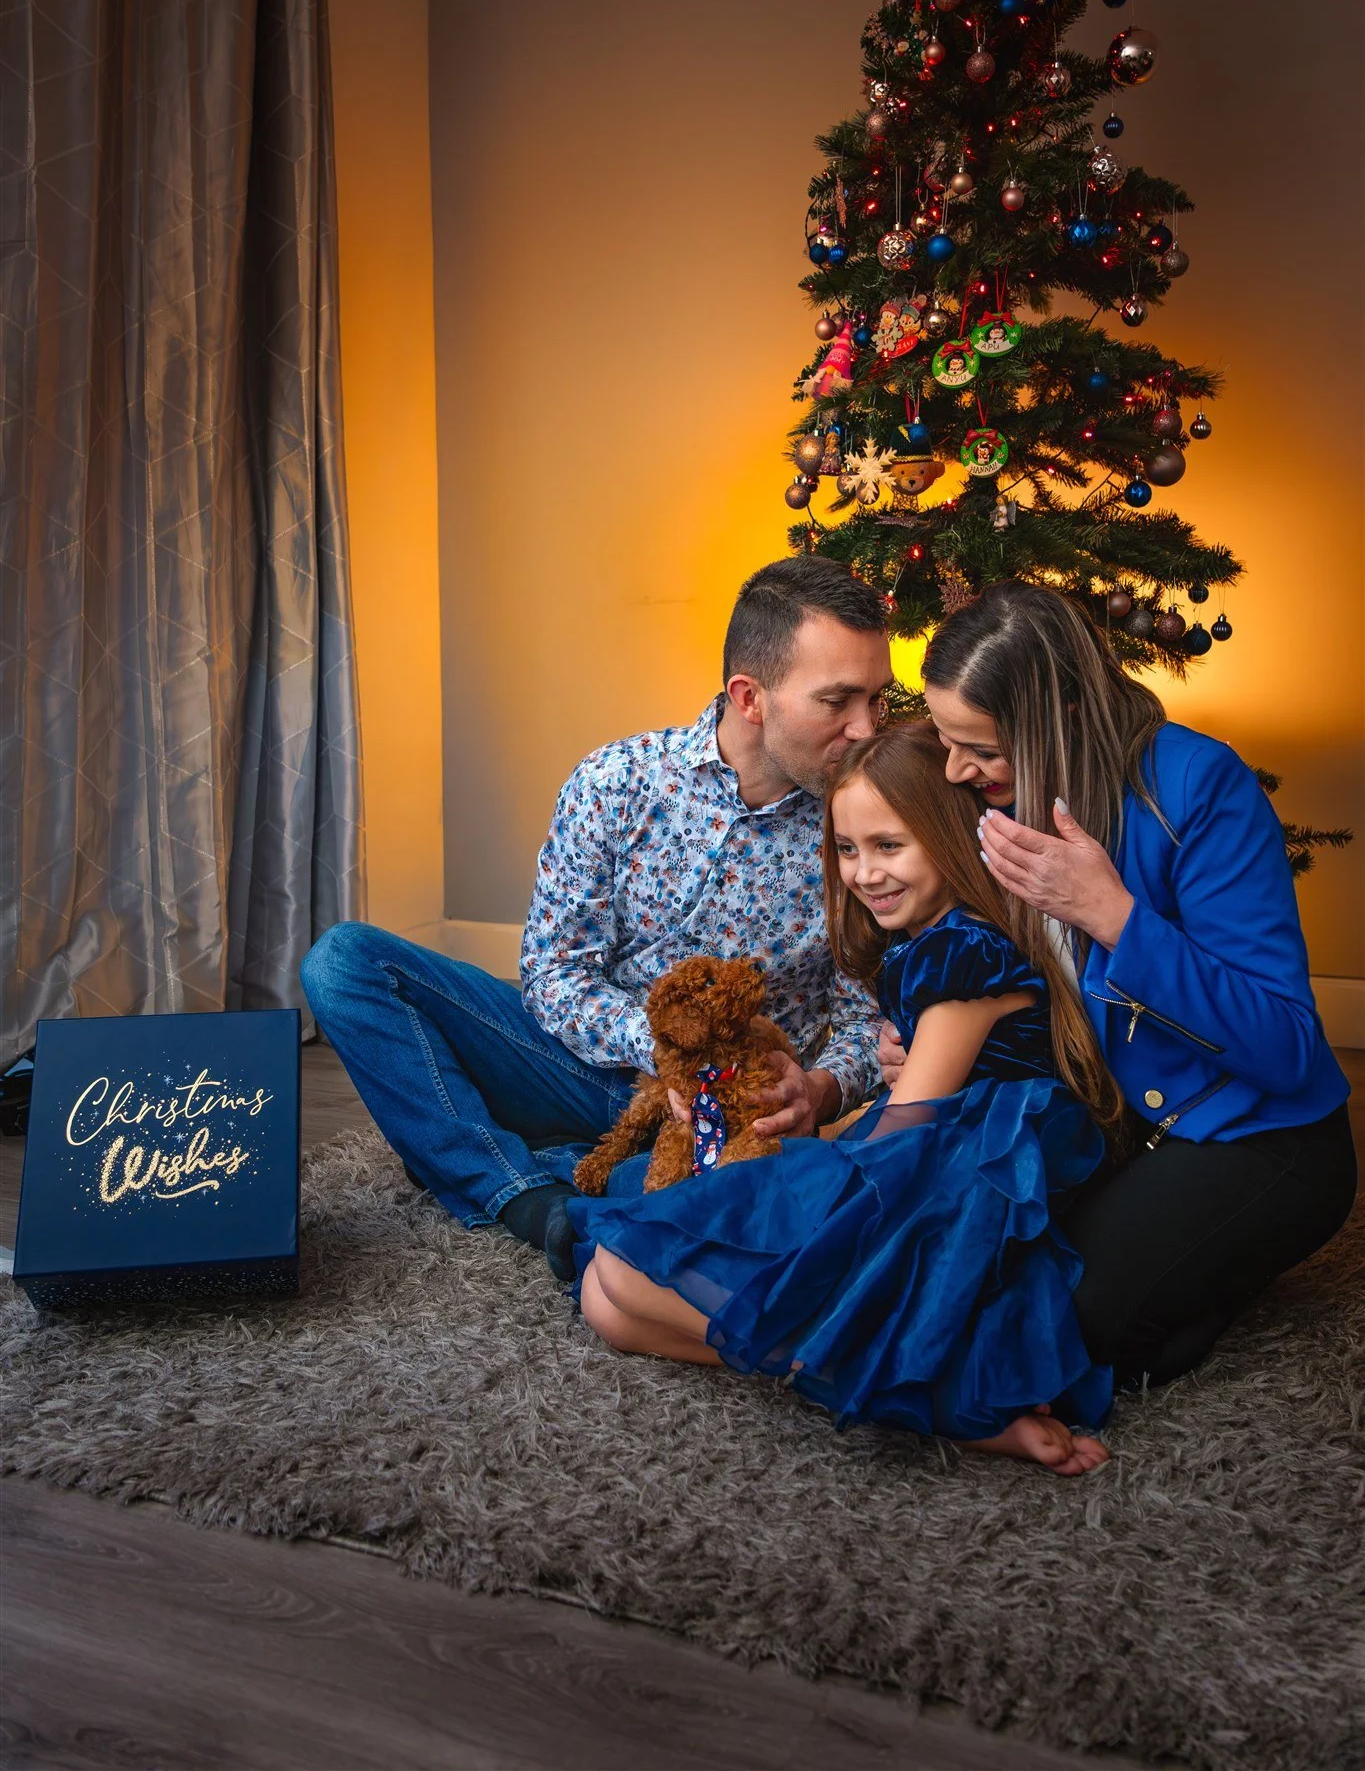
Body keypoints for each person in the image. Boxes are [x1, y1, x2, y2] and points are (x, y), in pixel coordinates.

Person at [300, 559, 891, 1279]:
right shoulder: (618, 780)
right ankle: (521, 1193)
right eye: (839, 701)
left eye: (877, 699)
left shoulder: (865, 824)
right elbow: (552, 976)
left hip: (733, 1114)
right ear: (750, 697)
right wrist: (667, 1053)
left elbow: (868, 1024)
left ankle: (534, 1162)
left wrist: (820, 1089)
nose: (865, 728)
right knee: (344, 962)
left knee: (735, 1216)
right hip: (583, 1068)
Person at [573, 724, 1116, 1476]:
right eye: (848, 849)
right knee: (606, 1307)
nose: (864, 873)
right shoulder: (928, 942)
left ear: (948, 835)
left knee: (622, 1262)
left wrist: (815, 1155)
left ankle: (944, 1401)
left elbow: (904, 1133)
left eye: (888, 846)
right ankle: (858, 1378)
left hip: (942, 1190)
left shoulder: (965, 950)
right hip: (921, 1157)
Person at [910, 580, 1356, 1388]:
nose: (954, 767)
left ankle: (1214, 1267)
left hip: (1255, 1134)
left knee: (1068, 1334)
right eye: (946, 738)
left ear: (1063, 717)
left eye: (978, 745)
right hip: (1108, 1128)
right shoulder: (982, 797)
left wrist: (1116, 918)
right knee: (970, 1289)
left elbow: (1287, 1047)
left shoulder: (1197, 786)